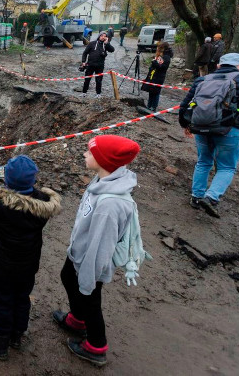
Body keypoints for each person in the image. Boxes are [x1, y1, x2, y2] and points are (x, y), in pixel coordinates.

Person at [52, 135, 141, 367]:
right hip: (79, 254)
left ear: (104, 161)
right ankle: (77, 320)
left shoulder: (110, 205)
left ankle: (96, 346)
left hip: (89, 263)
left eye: (90, 153)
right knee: (67, 277)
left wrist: (88, 278)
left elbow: (101, 246)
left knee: (89, 298)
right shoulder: (103, 179)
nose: (85, 154)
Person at [0, 156, 62, 361]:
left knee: (2, 299)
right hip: (28, 264)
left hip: (1, 265)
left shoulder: (1, 206)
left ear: (7, 182)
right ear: (33, 181)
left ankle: (0, 341)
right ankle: (16, 336)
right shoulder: (43, 205)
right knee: (22, 298)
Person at [179, 53, 239, 218]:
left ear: (219, 65)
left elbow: (186, 105)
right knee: (226, 166)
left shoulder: (202, 80)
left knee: (203, 161)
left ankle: (196, 197)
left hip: (202, 127)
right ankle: (211, 197)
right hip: (232, 128)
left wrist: (186, 125)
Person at [80, 31, 115, 98]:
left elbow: (112, 50)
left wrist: (107, 43)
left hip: (100, 66)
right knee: (87, 79)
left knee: (98, 80)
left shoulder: (105, 45)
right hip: (90, 65)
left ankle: (98, 94)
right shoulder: (92, 43)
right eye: (102, 36)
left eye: (105, 36)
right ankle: (84, 93)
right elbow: (85, 53)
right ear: (99, 36)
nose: (103, 37)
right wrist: (83, 61)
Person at [141, 42, 173, 111]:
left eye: (161, 48)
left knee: (156, 92)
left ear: (164, 48)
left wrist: (154, 63)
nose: (159, 49)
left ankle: (153, 107)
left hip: (159, 77)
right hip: (154, 75)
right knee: (151, 91)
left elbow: (163, 67)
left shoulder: (166, 57)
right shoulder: (162, 55)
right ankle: (149, 105)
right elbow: (158, 64)